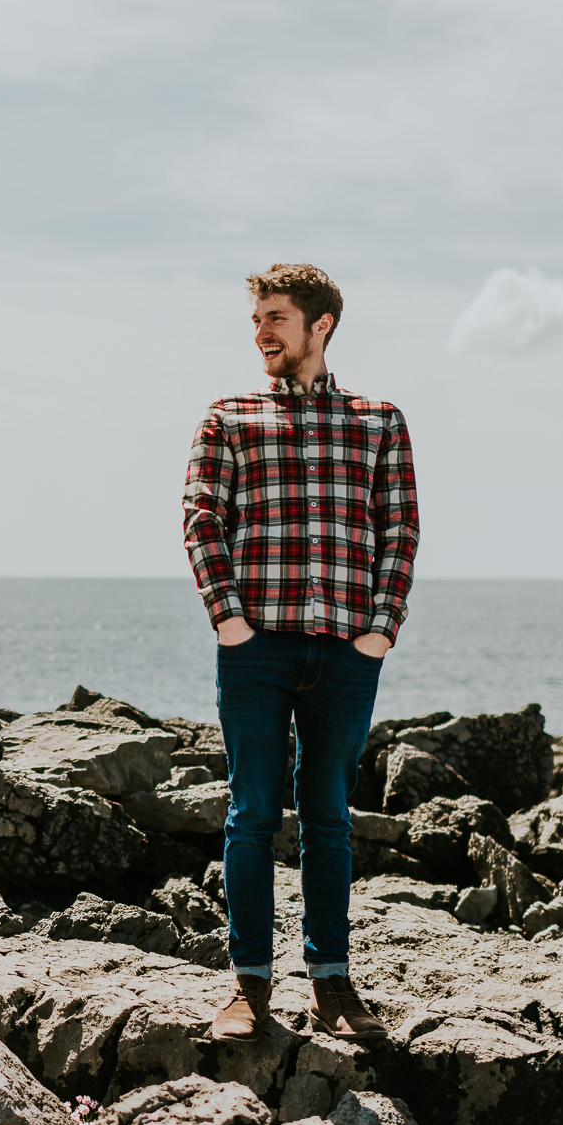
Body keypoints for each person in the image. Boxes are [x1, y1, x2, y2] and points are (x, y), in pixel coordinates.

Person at [181, 263, 418, 1042]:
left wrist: (381, 628)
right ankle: (249, 988)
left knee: (329, 819)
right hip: (256, 650)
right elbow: (201, 520)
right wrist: (230, 621)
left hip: (348, 652)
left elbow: (400, 529)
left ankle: (333, 986)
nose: (261, 333)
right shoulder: (230, 416)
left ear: (321, 324)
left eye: (275, 318)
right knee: (251, 814)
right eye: (256, 321)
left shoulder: (379, 419)